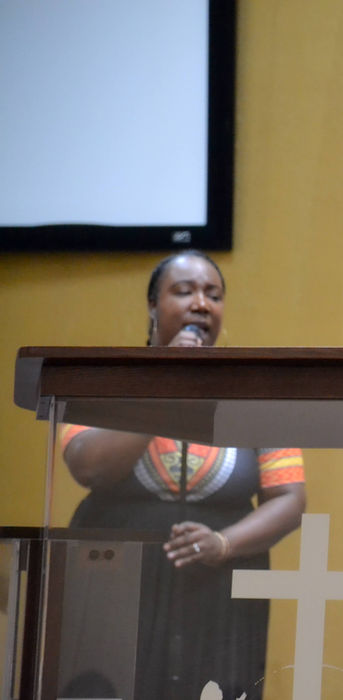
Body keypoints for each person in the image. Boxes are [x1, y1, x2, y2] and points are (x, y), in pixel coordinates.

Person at [59, 250, 307, 700]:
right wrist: (168, 385)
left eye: (213, 295)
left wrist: (224, 543)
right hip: (115, 588)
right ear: (152, 306)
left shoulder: (258, 395)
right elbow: (89, 466)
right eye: (184, 291)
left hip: (220, 590)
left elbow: (289, 499)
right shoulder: (103, 382)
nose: (201, 304)